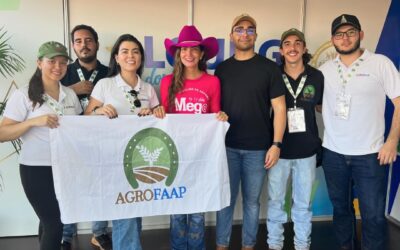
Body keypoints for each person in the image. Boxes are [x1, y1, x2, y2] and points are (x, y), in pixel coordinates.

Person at [320, 14, 400, 250]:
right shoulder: (324, 70)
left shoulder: (380, 63)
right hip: (333, 153)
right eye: (339, 34)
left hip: (371, 154)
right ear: (332, 39)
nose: (345, 38)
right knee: (341, 211)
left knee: (373, 216)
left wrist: (392, 141)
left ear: (361, 34)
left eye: (351, 33)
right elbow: (317, 104)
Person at [0, 41, 82, 250]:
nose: (58, 66)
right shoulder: (24, 95)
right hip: (36, 169)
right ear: (39, 63)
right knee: (55, 223)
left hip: (65, 168)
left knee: (49, 221)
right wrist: (32, 122)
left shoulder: (70, 95)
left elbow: (81, 129)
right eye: (51, 61)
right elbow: (2, 133)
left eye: (63, 63)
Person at [214, 14, 287, 250]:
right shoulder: (222, 69)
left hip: (258, 149)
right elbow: (214, 109)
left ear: (255, 34)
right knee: (225, 200)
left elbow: (279, 107)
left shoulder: (269, 69)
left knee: (253, 203)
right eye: (239, 29)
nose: (244, 33)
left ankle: (248, 245)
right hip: (227, 147)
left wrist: (276, 144)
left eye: (249, 29)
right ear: (231, 35)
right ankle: (221, 245)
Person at [153, 25, 228, 250]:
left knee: (197, 210)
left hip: (200, 155)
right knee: (176, 211)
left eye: (194, 49)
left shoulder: (212, 82)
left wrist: (221, 116)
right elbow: (164, 117)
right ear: (177, 54)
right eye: (183, 50)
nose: (189, 54)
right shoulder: (167, 82)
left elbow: (214, 116)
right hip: (175, 155)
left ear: (202, 53)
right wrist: (158, 111)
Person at [85, 34, 159, 250]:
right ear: (116, 57)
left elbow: (158, 119)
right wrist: (98, 110)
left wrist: (152, 113)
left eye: (135, 51)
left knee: (134, 211)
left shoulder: (148, 88)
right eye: (125, 51)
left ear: (141, 58)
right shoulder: (105, 85)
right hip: (112, 158)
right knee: (125, 212)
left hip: (139, 159)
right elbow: (84, 119)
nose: (130, 55)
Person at [266, 28, 324, 250]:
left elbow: (321, 107)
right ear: (281, 50)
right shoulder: (272, 74)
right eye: (287, 44)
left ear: (304, 48)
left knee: (303, 204)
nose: (293, 48)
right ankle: (275, 244)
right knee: (276, 202)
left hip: (307, 151)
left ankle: (302, 245)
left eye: (297, 43)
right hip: (278, 150)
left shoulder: (316, 76)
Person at [59, 24, 111, 250]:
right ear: (73, 46)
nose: (84, 45)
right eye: (78, 41)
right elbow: (48, 98)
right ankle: (65, 235)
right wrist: (73, 89)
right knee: (68, 186)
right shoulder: (62, 71)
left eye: (88, 40)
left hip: (102, 139)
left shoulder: (110, 72)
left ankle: (98, 233)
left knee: (101, 186)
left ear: (97, 44)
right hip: (69, 140)